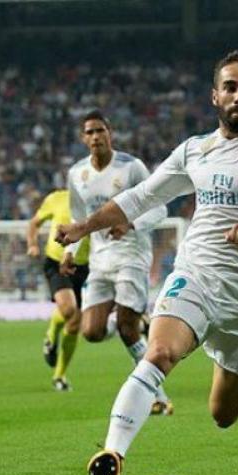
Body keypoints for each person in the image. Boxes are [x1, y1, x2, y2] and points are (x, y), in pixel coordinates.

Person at [57, 50, 238, 475]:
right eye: (230, 87)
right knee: (158, 352)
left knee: (223, 414)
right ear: (215, 96)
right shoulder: (195, 150)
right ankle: (113, 453)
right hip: (196, 274)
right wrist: (84, 226)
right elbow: (141, 197)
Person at [60, 110, 171, 415]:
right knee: (92, 332)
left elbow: (159, 209)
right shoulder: (77, 174)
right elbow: (78, 219)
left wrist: (131, 223)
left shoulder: (132, 168)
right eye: (90, 132)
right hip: (100, 261)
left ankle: (160, 397)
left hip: (132, 257)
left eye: (100, 130)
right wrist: (70, 251)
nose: (95, 136)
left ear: (110, 133)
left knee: (128, 330)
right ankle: (125, 317)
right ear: (83, 138)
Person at [27, 188, 92, 391]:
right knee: (68, 308)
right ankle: (52, 333)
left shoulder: (100, 202)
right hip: (56, 262)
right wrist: (32, 244)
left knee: (74, 324)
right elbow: (34, 223)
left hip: (85, 267)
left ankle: (59, 375)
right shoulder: (57, 198)